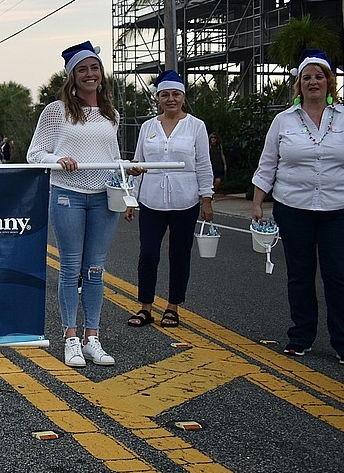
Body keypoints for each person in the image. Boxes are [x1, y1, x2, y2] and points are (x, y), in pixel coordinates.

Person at [252, 49, 344, 364]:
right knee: (300, 275)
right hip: (293, 207)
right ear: (298, 84)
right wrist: (258, 201)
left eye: (319, 76)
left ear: (329, 82)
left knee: (340, 276)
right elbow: (268, 163)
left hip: (340, 209)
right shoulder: (284, 121)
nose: (313, 82)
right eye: (306, 77)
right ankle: (301, 336)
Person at [27, 40, 122, 367]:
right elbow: (34, 154)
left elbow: (112, 158)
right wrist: (58, 158)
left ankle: (92, 337)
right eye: (82, 69)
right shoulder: (57, 111)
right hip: (67, 193)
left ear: (101, 72)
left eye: (94, 67)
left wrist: (128, 178)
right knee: (70, 267)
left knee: (95, 269)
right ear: (72, 76)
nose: (90, 74)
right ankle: (70, 338)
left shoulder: (111, 114)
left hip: (104, 199)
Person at [125, 70, 214, 329]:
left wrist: (206, 198)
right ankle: (145, 307)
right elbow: (138, 162)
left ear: (183, 98)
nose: (171, 99)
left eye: (176, 94)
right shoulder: (148, 127)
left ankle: (173, 307)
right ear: (158, 98)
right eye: (165, 95)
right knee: (149, 254)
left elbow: (203, 164)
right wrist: (131, 197)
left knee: (179, 255)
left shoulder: (196, 126)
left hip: (185, 200)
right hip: (151, 200)